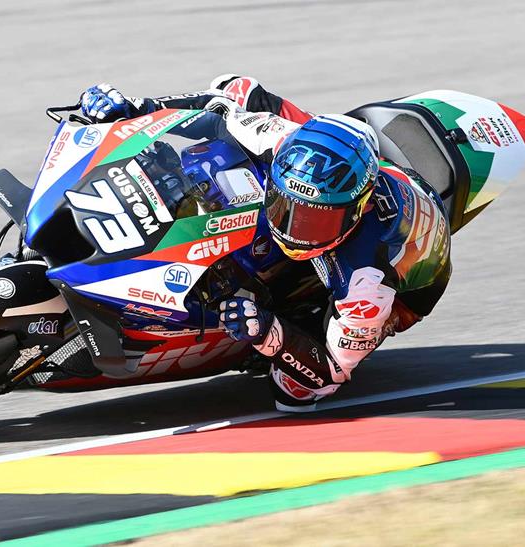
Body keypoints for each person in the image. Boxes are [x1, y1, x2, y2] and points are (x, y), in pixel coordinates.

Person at [78, 76, 451, 412]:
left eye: (315, 218)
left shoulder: (366, 283)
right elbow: (217, 114)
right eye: (287, 206)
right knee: (236, 89)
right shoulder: (283, 141)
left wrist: (266, 332)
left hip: (407, 284)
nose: (294, 228)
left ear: (357, 210)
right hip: (345, 166)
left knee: (296, 393)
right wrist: (137, 109)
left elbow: (331, 371)